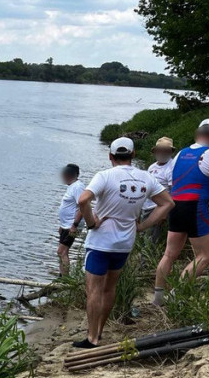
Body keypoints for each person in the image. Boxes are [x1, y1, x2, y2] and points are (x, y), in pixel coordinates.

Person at [74, 137, 173, 348]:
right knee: (110, 288)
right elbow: (167, 203)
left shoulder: (105, 176)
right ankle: (99, 331)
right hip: (124, 243)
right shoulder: (146, 177)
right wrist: (143, 226)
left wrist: (91, 223)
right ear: (133, 155)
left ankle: (92, 338)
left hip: (100, 242)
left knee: (94, 290)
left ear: (110, 156)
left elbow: (83, 200)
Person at [152, 119, 209, 306]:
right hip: (195, 207)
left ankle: (158, 298)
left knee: (169, 254)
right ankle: (175, 295)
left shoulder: (180, 153)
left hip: (175, 205)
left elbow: (177, 180)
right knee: (206, 255)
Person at [141, 136, 176, 242]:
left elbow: (173, 191)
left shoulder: (172, 167)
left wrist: (164, 213)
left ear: (170, 152)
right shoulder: (151, 167)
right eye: (160, 150)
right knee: (143, 236)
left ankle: (147, 258)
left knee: (151, 239)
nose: (162, 153)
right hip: (146, 207)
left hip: (158, 208)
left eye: (165, 150)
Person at [56, 164, 84, 275]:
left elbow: (82, 207)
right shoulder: (72, 186)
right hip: (66, 225)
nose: (64, 177)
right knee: (62, 252)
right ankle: (61, 276)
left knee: (61, 251)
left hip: (72, 226)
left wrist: (74, 225)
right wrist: (62, 225)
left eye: (66, 174)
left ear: (72, 175)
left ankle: (64, 279)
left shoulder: (78, 186)